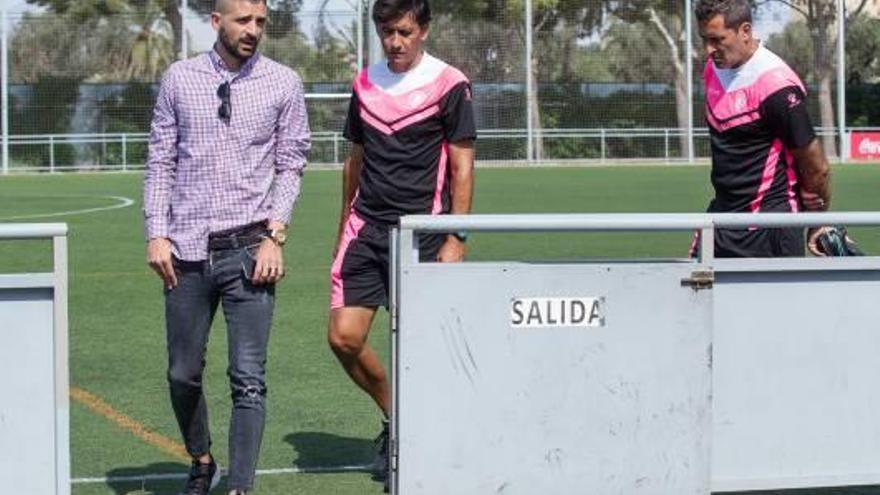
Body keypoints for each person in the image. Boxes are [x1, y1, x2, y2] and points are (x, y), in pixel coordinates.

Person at [142, 0, 310, 493]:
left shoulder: (284, 83)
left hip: (250, 252)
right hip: (186, 254)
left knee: (248, 379)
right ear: (216, 23)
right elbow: (160, 162)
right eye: (242, 21)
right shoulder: (179, 79)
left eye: (260, 21)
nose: (253, 30)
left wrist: (275, 233)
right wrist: (156, 233)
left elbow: (291, 164)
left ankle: (240, 486)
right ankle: (201, 459)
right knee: (182, 373)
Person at [326, 0, 476, 488]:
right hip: (365, 230)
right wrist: (341, 227)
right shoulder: (364, 84)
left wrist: (455, 235)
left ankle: (434, 447)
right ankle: (399, 419)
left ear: (424, 30)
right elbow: (355, 159)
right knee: (344, 337)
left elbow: (462, 166)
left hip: (423, 234)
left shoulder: (450, 84)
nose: (395, 42)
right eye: (387, 32)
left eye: (405, 32)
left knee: (429, 352)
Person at [694, 0, 831, 258]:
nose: (708, 50)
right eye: (704, 39)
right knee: (693, 294)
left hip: (770, 228)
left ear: (745, 31)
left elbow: (817, 168)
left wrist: (816, 223)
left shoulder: (776, 86)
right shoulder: (713, 68)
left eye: (716, 39)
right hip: (722, 221)